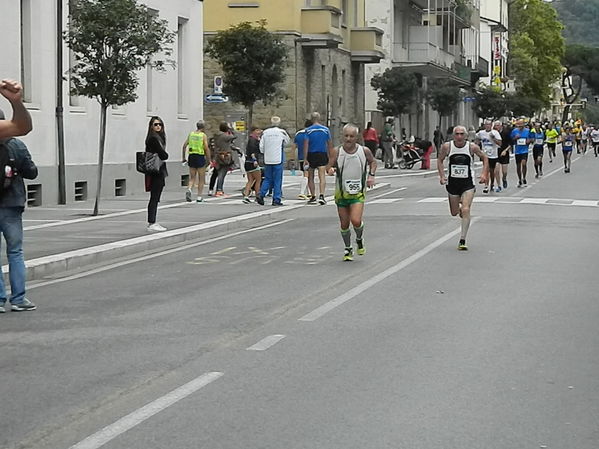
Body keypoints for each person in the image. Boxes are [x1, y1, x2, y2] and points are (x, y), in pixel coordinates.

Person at [0, 109, 38, 312]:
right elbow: (32, 172)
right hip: (12, 205)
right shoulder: (16, 145)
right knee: (15, 252)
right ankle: (18, 298)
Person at [326, 124, 376, 261]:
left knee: (356, 220)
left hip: (357, 193)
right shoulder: (336, 151)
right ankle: (348, 249)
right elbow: (329, 165)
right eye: (346, 136)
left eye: (351, 136)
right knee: (344, 224)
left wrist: (371, 176)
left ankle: (359, 239)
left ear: (357, 137)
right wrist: (330, 170)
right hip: (341, 193)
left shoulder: (364, 151)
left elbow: (373, 162)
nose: (348, 139)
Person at [437, 125, 489, 251]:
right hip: (453, 183)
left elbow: (485, 158)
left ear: (466, 136)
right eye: (457, 134)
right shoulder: (447, 147)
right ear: (453, 135)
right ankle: (461, 212)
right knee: (455, 212)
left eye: (461, 134)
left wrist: (483, 174)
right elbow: (440, 160)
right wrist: (442, 176)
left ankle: (462, 240)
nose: (459, 136)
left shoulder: (471, 147)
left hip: (468, 183)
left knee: (466, 209)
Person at [256, 116, 290, 206]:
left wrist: (265, 152)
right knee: (277, 180)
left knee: (267, 178)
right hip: (278, 158)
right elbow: (287, 142)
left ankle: (261, 193)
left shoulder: (265, 132)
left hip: (268, 158)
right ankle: (276, 199)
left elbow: (261, 147)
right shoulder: (282, 132)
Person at [303, 112, 333, 205]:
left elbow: (306, 144)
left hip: (311, 153)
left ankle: (313, 196)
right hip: (322, 153)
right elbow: (329, 143)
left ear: (311, 119)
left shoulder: (308, 130)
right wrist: (330, 156)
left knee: (310, 176)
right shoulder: (325, 130)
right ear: (319, 119)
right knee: (322, 175)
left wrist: (305, 158)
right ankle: (322, 195)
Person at [145, 116, 169, 231]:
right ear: (151, 126)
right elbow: (163, 155)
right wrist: (164, 153)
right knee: (154, 197)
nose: (158, 126)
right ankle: (152, 222)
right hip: (156, 171)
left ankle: (152, 221)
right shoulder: (154, 139)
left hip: (158, 170)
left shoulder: (158, 137)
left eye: (160, 124)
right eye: (155, 124)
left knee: (155, 197)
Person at [182, 120, 210, 203]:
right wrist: (209, 159)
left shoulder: (191, 134)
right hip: (200, 156)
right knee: (201, 178)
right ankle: (199, 196)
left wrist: (183, 157)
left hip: (191, 156)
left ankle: (189, 189)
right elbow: (206, 148)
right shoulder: (203, 136)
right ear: (203, 127)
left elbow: (184, 146)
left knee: (192, 177)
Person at [475, 119, 502, 192]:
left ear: (491, 125)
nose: (487, 126)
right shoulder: (481, 133)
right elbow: (476, 138)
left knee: (492, 171)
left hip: (493, 154)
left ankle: (492, 184)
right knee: (486, 170)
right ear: (484, 125)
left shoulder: (495, 133)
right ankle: (486, 186)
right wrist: (477, 145)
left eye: (489, 124)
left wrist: (493, 138)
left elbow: (500, 143)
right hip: (485, 155)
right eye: (486, 124)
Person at [211, 122, 236, 197]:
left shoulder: (217, 136)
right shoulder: (225, 136)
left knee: (218, 173)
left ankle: (217, 190)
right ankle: (219, 190)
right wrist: (231, 129)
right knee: (222, 174)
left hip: (218, 155)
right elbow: (234, 136)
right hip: (225, 156)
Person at [242, 126, 263, 203]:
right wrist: (255, 160)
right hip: (252, 162)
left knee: (250, 180)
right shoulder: (253, 140)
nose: (259, 132)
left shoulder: (251, 139)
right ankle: (258, 196)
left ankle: (246, 196)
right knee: (258, 180)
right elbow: (252, 151)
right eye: (257, 130)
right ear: (253, 131)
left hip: (247, 162)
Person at [293, 119, 312, 200]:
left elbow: (294, 146)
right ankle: (302, 192)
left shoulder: (298, 133)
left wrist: (293, 158)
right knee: (307, 174)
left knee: (306, 174)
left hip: (300, 157)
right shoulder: (310, 133)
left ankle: (309, 192)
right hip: (309, 156)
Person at [510, 118, 532, 187]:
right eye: (518, 124)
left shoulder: (528, 131)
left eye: (521, 124)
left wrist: (529, 141)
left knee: (524, 164)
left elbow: (532, 139)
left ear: (524, 124)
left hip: (524, 150)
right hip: (517, 151)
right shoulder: (514, 131)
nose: (520, 125)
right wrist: (515, 138)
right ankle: (519, 179)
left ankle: (524, 177)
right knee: (518, 166)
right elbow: (511, 140)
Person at [496, 121, 511, 189]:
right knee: (496, 170)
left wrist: (505, 150)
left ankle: (504, 179)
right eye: (495, 125)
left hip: (504, 153)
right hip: (496, 153)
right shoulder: (494, 133)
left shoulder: (506, 132)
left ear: (501, 126)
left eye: (498, 125)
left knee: (504, 172)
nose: (497, 127)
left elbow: (510, 144)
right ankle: (498, 185)